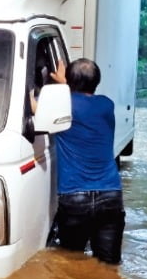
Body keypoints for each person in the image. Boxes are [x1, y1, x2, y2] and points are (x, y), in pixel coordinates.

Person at [48, 58, 125, 264]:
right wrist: (65, 85)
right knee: (109, 266)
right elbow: (80, 105)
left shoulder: (62, 105)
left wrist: (61, 86)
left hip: (74, 197)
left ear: (69, 81)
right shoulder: (106, 105)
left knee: (72, 265)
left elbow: (36, 108)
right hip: (110, 195)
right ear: (97, 81)